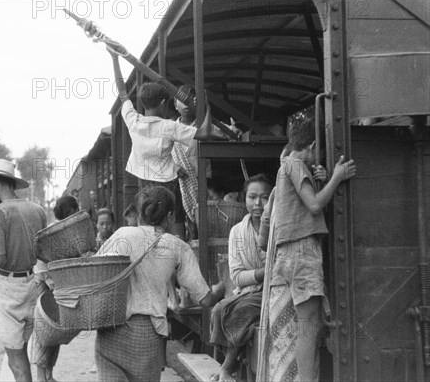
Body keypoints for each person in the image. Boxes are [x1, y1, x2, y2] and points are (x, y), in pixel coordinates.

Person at [261, 121, 356, 382]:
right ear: (312, 146)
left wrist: (319, 181)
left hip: (290, 252)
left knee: (306, 325)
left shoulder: (287, 165)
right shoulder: (295, 164)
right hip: (302, 251)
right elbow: (314, 206)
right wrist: (337, 177)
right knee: (308, 326)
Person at [93, 186, 218, 381]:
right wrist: (221, 290)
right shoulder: (178, 247)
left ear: (141, 212)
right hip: (147, 336)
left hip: (111, 332)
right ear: (169, 216)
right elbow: (204, 298)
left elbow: (94, 273)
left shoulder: (121, 234)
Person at [104, 43, 218, 240]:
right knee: (176, 235)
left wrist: (114, 59)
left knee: (149, 233)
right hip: (169, 186)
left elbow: (122, 91)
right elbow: (205, 133)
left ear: (142, 103)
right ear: (165, 103)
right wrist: (207, 107)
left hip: (146, 187)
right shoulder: (169, 126)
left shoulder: (133, 120)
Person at [0, 159, 47, 382]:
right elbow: (44, 252)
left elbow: (0, 259)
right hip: (32, 284)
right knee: (22, 350)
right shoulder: (38, 210)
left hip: (9, 289)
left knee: (15, 360)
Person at [209, 174, 271, 381]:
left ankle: (227, 367)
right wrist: (266, 272)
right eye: (252, 197)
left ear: (272, 200)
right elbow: (236, 276)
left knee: (242, 310)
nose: (258, 204)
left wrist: (265, 275)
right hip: (249, 290)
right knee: (218, 310)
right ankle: (229, 366)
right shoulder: (237, 232)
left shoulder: (277, 227)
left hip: (272, 290)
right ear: (244, 199)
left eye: (264, 197)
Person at [171, 85, 241, 240]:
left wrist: (233, 130)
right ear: (175, 105)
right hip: (180, 181)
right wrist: (174, 167)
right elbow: (160, 155)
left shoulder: (204, 124)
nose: (186, 105)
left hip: (203, 181)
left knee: (204, 221)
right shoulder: (171, 127)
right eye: (181, 101)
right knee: (183, 220)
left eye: (189, 100)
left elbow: (227, 132)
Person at [32, 195, 79, 382]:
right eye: (73, 211)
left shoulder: (69, 231)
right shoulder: (51, 231)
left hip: (58, 285)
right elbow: (39, 259)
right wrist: (49, 280)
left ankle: (49, 374)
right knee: (43, 331)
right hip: (45, 285)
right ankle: (41, 376)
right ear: (68, 211)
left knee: (56, 331)